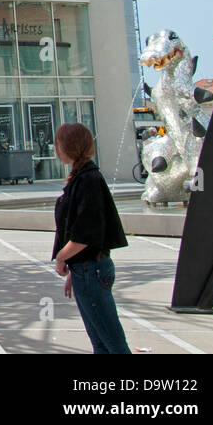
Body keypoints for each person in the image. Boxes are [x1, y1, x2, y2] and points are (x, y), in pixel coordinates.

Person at [53, 122, 130, 354]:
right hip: (86, 270)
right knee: (100, 342)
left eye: (58, 143)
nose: (55, 149)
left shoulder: (88, 180)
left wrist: (61, 257)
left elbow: (86, 233)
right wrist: (74, 269)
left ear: (69, 146)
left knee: (113, 343)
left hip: (91, 271)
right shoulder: (82, 177)